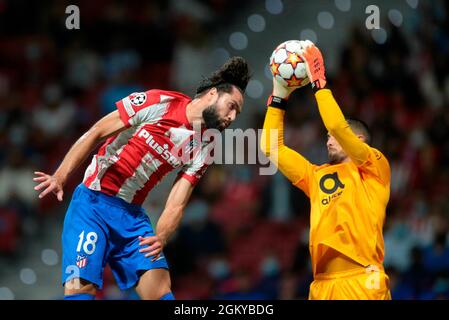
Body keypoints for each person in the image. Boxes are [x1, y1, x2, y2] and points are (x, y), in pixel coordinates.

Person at [33, 57, 250, 300]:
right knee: (80, 291)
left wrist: (162, 236)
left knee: (160, 291)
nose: (232, 117)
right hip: (92, 205)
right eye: (231, 106)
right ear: (212, 94)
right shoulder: (160, 102)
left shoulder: (206, 143)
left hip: (132, 217)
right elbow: (97, 131)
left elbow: (179, 198)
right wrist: (61, 175)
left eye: (237, 113)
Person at [261, 41, 391, 300]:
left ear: (360, 140)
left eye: (333, 136)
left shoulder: (374, 167)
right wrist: (278, 97)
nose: (328, 139)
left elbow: (337, 125)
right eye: (327, 136)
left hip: (362, 280)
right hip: (321, 285)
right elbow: (270, 148)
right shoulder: (316, 176)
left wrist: (319, 82)